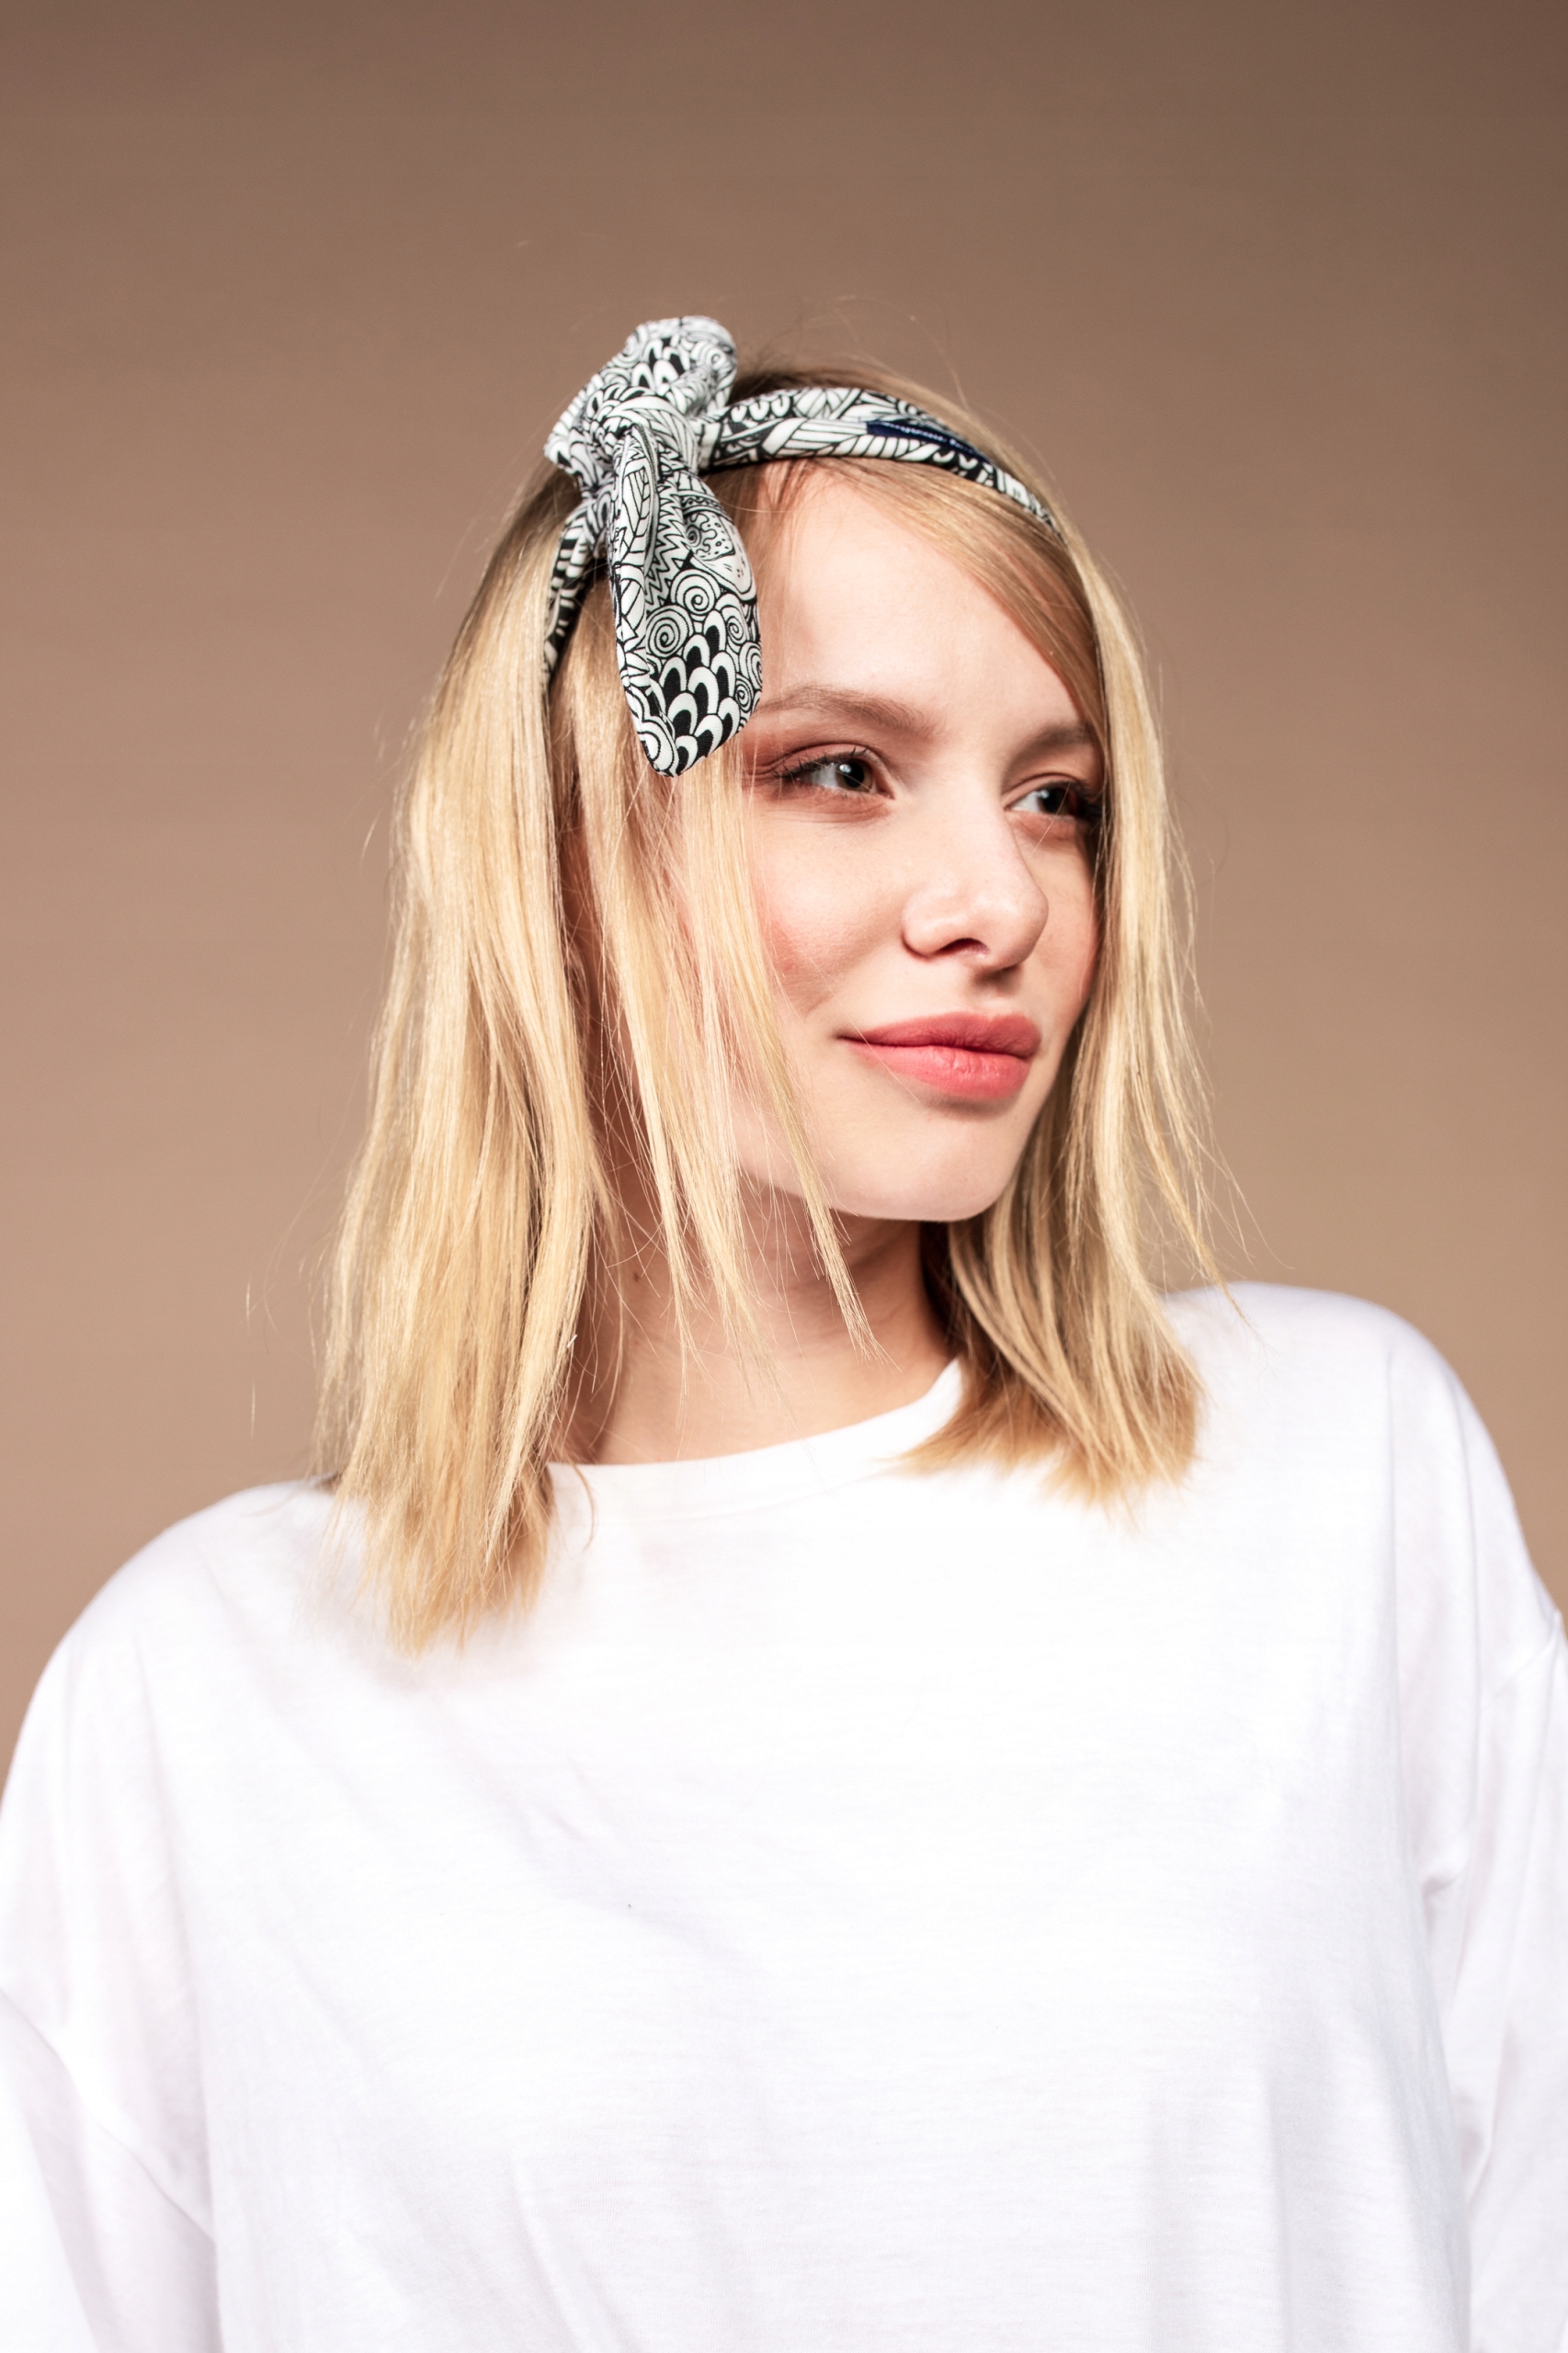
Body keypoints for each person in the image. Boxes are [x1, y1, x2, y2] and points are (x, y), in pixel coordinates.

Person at [1, 315, 1563, 2353]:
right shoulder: (201, 1697)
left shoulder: (1336, 1474)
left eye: (1058, 797)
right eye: (839, 770)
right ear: (566, 855)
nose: (998, 898)